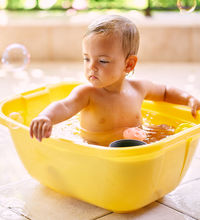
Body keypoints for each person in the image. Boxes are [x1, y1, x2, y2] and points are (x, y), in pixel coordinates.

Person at [30, 15, 200, 146]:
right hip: (99, 151)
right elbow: (64, 105)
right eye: (86, 58)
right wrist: (46, 117)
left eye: (102, 61)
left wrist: (188, 98)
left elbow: (165, 92)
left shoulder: (138, 88)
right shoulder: (87, 93)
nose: (92, 67)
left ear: (129, 64)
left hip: (134, 146)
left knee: (166, 131)